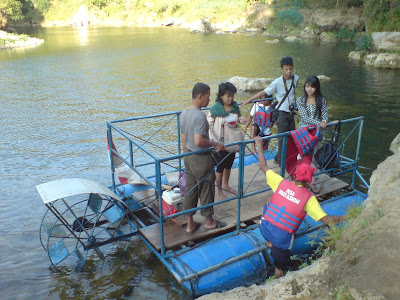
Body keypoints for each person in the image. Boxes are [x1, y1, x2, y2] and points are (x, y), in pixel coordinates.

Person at [254, 136, 344, 278]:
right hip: (281, 241)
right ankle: (277, 273)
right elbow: (326, 220)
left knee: (268, 204)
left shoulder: (280, 182)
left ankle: (269, 241)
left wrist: (259, 145)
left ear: (294, 175)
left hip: (263, 228)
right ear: (308, 182)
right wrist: (347, 216)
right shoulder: (309, 198)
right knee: (280, 271)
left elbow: (263, 166)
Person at [180, 82, 227, 234]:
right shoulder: (200, 116)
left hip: (188, 156)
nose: (209, 100)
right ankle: (209, 221)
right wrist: (214, 144)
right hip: (201, 157)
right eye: (207, 96)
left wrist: (186, 155)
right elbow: (199, 141)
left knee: (190, 189)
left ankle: (190, 223)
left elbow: (183, 138)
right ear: (200, 96)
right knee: (206, 187)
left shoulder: (184, 113)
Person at [243, 56, 299, 165]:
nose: (288, 71)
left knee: (291, 138)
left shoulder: (296, 79)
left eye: (290, 69)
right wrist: (249, 100)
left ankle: (281, 157)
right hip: (281, 114)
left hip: (291, 113)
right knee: (282, 138)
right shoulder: (277, 82)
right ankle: (283, 162)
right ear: (282, 69)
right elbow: (263, 92)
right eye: (286, 69)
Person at [207, 82, 246, 200]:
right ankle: (219, 191)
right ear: (221, 95)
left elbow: (236, 119)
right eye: (228, 96)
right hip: (219, 142)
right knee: (219, 168)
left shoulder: (235, 107)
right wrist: (212, 140)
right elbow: (208, 124)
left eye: (232, 96)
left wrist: (240, 119)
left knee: (229, 165)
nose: (230, 98)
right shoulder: (215, 109)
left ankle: (226, 185)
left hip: (232, 141)